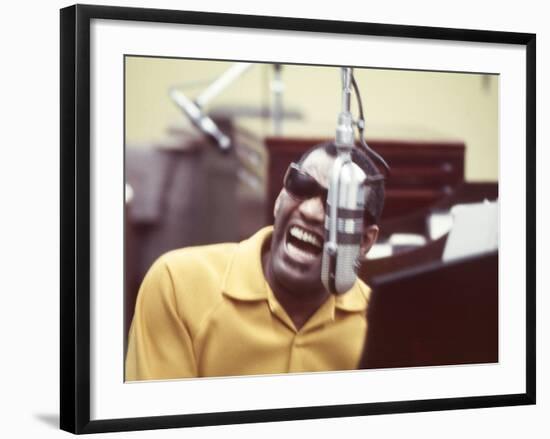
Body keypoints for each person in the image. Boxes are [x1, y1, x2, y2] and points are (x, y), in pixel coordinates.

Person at [125, 141, 385, 380]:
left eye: (337, 205)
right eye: (301, 185)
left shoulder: (379, 325)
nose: (309, 211)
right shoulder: (177, 284)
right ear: (279, 199)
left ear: (364, 242)